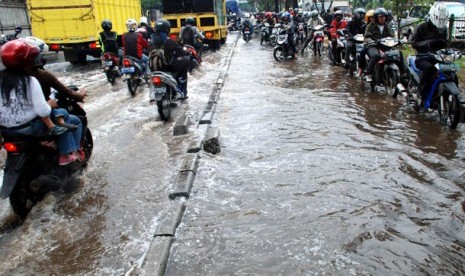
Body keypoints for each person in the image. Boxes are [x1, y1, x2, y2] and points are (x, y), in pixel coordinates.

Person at [0, 40, 82, 165]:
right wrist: (50, 104)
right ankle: (66, 155)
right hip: (30, 129)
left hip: (7, 132)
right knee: (67, 116)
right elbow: (43, 111)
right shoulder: (30, 81)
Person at [412, 3, 449, 107]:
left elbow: (446, 43)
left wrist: (444, 43)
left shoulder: (444, 29)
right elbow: (414, 43)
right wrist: (428, 43)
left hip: (438, 56)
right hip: (422, 57)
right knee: (430, 69)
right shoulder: (421, 27)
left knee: (451, 71)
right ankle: (421, 93)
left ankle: (451, 95)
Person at [151, 19, 198, 99]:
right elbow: (180, 51)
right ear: (167, 29)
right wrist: (187, 53)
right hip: (167, 66)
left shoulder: (151, 40)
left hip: (153, 68)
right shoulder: (168, 40)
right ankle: (182, 91)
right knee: (184, 63)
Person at [364, 7, 403, 82]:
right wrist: (372, 41)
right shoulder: (370, 26)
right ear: (376, 17)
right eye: (380, 17)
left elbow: (392, 36)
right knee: (376, 56)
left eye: (384, 16)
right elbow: (366, 37)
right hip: (373, 46)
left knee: (398, 53)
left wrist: (396, 41)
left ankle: (403, 74)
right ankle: (369, 74)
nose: (383, 18)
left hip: (386, 46)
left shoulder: (386, 25)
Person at [356, 9, 375, 77]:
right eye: (371, 17)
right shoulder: (366, 26)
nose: (373, 19)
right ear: (368, 18)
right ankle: (361, 69)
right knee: (362, 52)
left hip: (379, 44)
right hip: (368, 44)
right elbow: (365, 36)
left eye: (374, 17)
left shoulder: (380, 25)